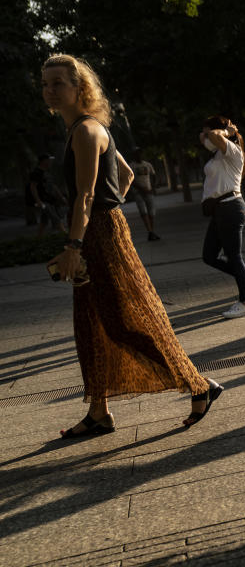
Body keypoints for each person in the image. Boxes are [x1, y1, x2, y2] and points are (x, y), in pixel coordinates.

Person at [41, 54, 222, 436]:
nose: (50, 90)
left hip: (97, 235)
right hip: (99, 230)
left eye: (58, 82)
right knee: (89, 324)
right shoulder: (83, 129)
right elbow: (124, 174)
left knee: (124, 322)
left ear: (80, 88)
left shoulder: (88, 132)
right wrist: (112, 212)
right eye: (45, 83)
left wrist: (77, 243)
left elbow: (85, 197)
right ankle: (98, 412)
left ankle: (199, 383)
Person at [200, 115, 245, 318]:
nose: (204, 136)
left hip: (231, 208)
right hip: (219, 210)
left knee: (234, 256)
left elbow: (211, 134)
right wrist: (215, 133)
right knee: (209, 256)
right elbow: (207, 135)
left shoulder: (233, 151)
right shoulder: (218, 154)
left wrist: (228, 131)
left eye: (207, 131)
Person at [29, 153, 68, 235]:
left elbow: (53, 186)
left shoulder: (47, 173)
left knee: (44, 221)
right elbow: (33, 187)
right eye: (49, 160)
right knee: (55, 218)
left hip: (49, 200)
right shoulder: (36, 173)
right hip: (43, 201)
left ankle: (38, 239)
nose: (51, 162)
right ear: (44, 161)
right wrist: (38, 201)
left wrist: (61, 197)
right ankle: (65, 236)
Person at [128, 148, 160, 240]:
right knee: (143, 212)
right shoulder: (131, 166)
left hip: (149, 191)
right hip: (138, 193)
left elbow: (153, 176)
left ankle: (152, 231)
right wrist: (141, 188)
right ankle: (150, 231)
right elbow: (131, 180)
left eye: (140, 153)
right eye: (136, 154)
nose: (139, 155)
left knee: (151, 212)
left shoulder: (148, 165)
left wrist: (153, 188)